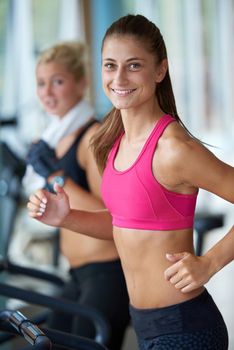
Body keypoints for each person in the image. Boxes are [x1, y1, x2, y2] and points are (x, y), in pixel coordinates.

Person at [27, 15, 233, 350]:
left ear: (160, 70)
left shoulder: (173, 148)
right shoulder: (112, 142)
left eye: (133, 65)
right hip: (145, 326)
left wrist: (209, 263)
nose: (119, 78)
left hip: (184, 328)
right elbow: (124, 226)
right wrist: (65, 218)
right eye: (110, 65)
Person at [24, 42, 130, 350]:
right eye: (41, 83)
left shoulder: (93, 136)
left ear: (82, 83)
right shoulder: (54, 137)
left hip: (107, 273)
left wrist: (56, 175)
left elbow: (113, 216)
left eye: (58, 81)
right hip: (78, 274)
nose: (47, 92)